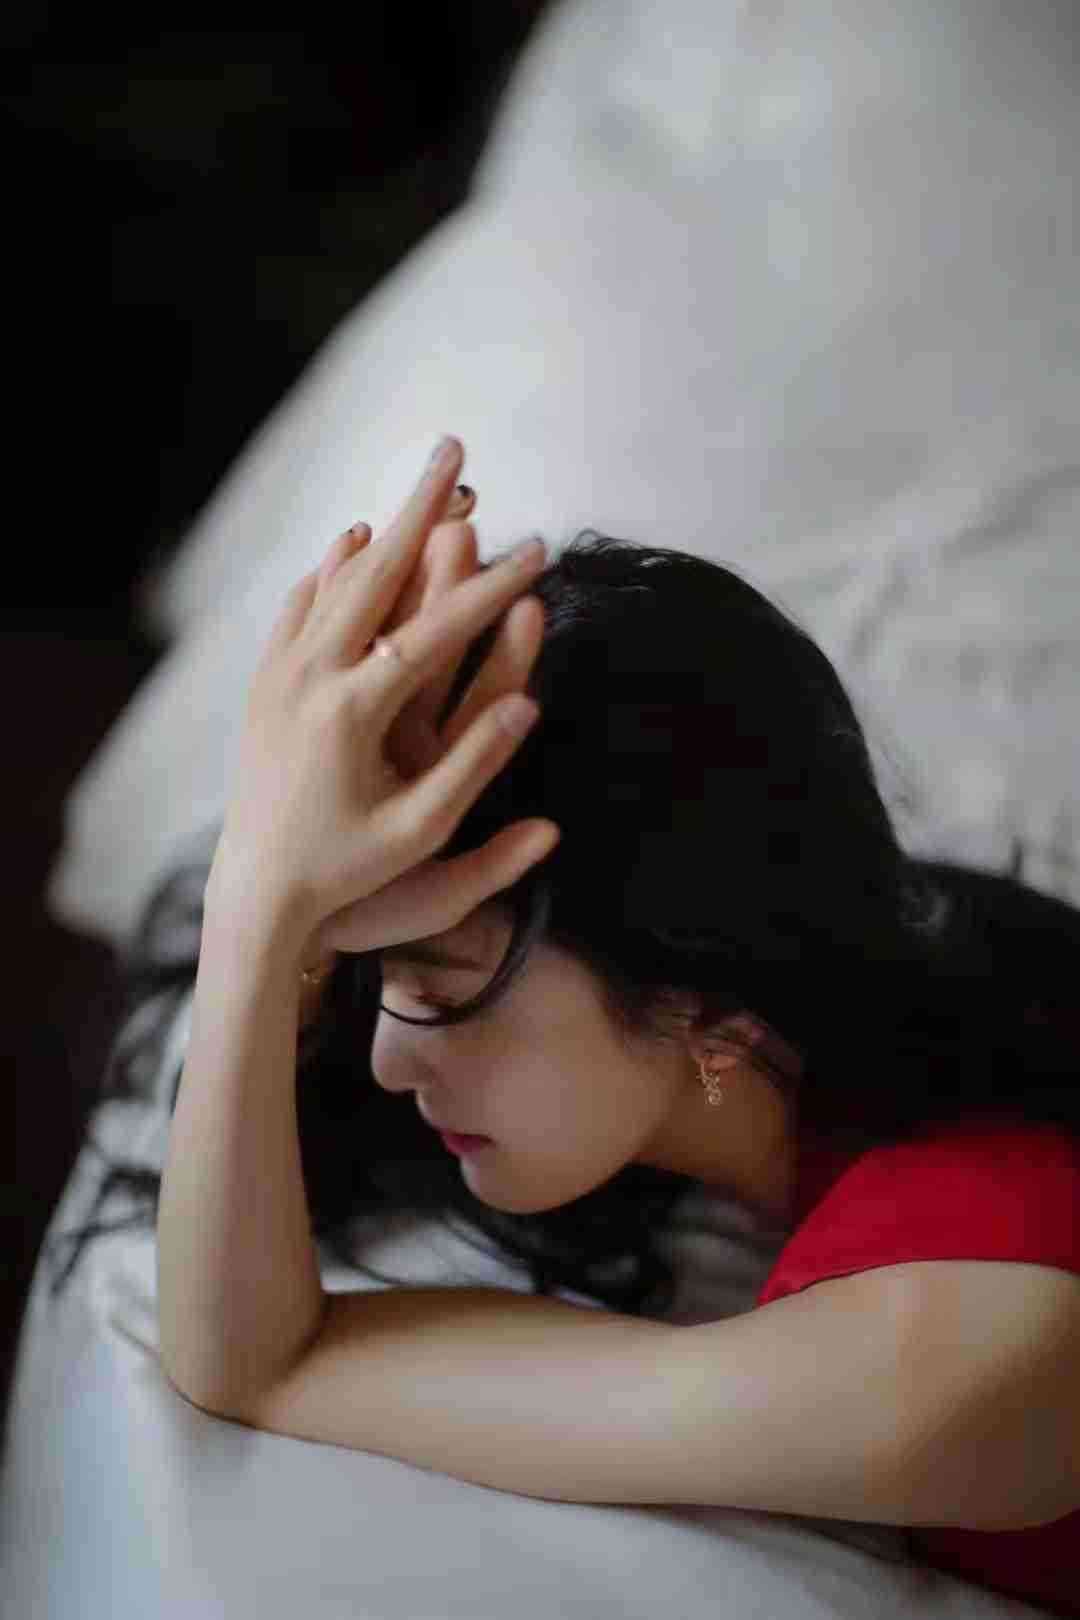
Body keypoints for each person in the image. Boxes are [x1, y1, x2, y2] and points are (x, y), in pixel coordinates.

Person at [45, 441, 1080, 1615]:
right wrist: (285, 904)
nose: (387, 1059)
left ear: (700, 986)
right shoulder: (916, 1010)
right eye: (372, 975)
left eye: (441, 987)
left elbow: (254, 1359)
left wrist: (257, 909)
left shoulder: (951, 1350)